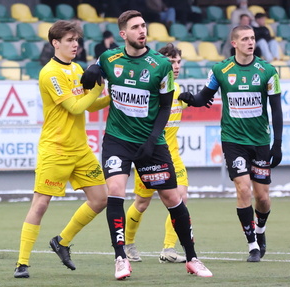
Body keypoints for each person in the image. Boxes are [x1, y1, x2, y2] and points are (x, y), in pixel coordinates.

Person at [81, 10, 212, 279]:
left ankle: (192, 258)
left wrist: (152, 140)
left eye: (144, 26)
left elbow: (165, 107)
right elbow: (95, 66)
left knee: (172, 198)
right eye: (136, 27)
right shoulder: (110, 58)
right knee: (115, 191)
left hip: (150, 141)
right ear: (123, 34)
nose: (142, 31)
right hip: (117, 139)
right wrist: (91, 68)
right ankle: (120, 259)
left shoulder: (160, 65)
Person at [13, 20, 109, 279]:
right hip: (55, 149)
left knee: (100, 199)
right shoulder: (50, 73)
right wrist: (99, 88)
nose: (75, 44)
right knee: (41, 203)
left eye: (76, 40)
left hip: (80, 149)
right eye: (69, 40)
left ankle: (62, 241)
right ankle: (22, 263)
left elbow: (87, 105)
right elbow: (75, 108)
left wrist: (112, 97)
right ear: (55, 43)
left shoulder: (76, 68)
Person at [178, 24, 283, 262]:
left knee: (263, 197)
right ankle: (252, 246)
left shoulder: (268, 71)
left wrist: (277, 144)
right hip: (232, 140)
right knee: (243, 188)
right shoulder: (220, 69)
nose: (250, 42)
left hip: (260, 142)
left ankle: (260, 230)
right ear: (234, 43)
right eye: (245, 38)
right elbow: (204, 97)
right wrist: (190, 99)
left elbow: (276, 109)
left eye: (253, 38)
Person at [124, 43, 187, 264]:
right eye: (171, 62)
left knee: (180, 198)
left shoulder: (178, 90)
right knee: (142, 203)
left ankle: (168, 249)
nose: (176, 66)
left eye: (179, 62)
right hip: (150, 156)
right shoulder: (150, 90)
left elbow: (194, 101)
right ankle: (127, 243)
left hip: (174, 157)